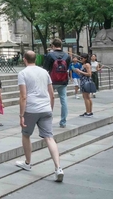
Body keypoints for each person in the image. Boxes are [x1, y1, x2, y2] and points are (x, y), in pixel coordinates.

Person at [15, 51, 64, 182]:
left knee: (26, 135)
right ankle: (58, 168)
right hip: (46, 108)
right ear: (35, 59)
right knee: (49, 138)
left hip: (31, 109)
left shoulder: (23, 73)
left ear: (24, 59)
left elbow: (23, 96)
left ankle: (28, 162)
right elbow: (52, 94)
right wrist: (50, 109)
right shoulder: (45, 72)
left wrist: (21, 115)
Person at [41, 38, 70, 128]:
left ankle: (47, 120)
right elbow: (67, 68)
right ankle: (63, 122)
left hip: (51, 81)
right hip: (63, 81)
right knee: (64, 100)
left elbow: (45, 69)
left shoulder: (50, 55)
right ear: (61, 45)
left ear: (53, 46)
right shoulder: (67, 56)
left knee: (49, 99)